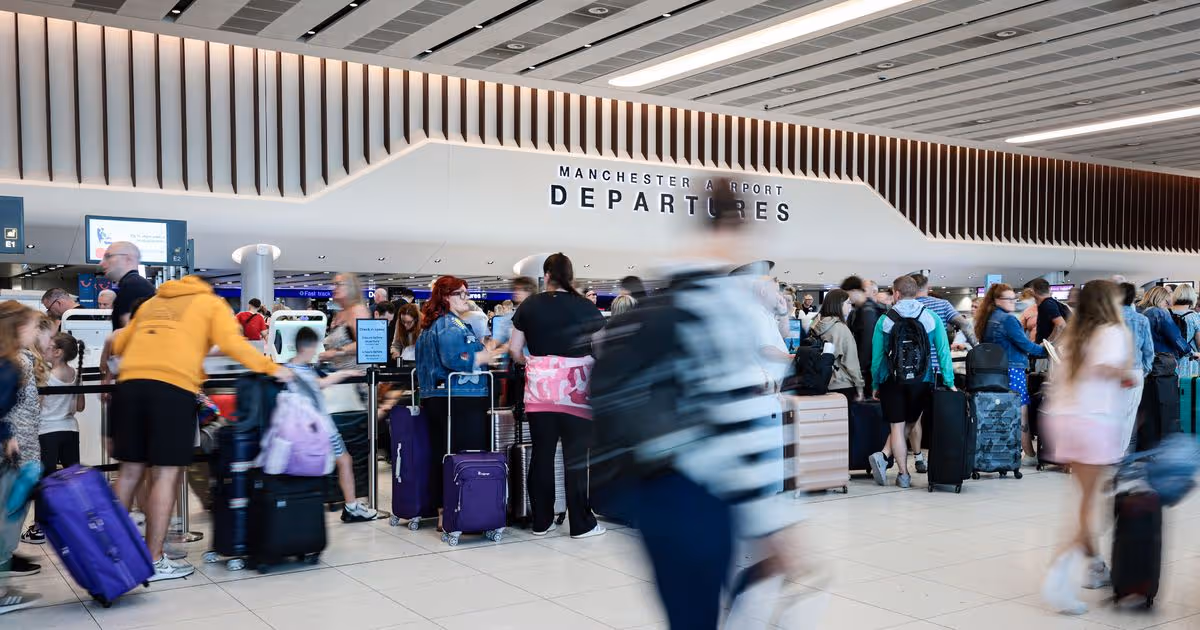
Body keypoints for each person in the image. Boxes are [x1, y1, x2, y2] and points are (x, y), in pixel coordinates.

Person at [597, 182, 806, 629]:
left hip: (648, 486)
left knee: (688, 614)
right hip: (702, 490)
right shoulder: (726, 305)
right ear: (735, 232)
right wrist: (774, 521)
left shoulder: (663, 296)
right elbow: (740, 416)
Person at [108, 275, 289, 581]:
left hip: (129, 386)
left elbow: (121, 341)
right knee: (165, 474)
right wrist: (274, 368)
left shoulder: (153, 302)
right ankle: (153, 560)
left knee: (128, 473)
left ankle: (108, 556)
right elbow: (234, 344)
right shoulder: (209, 303)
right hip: (172, 389)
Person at [1040, 280, 1137, 615]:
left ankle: (1093, 568)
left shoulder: (1073, 334)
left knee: (1083, 500)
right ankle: (1060, 571)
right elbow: (1108, 366)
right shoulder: (1112, 332)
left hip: (1065, 420)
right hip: (1095, 422)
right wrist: (1127, 373)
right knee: (1091, 508)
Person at [507, 254, 606, 538]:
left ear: (546, 274)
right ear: (571, 276)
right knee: (576, 457)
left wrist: (533, 363)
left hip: (540, 391)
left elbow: (515, 349)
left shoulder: (529, 306)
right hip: (576, 391)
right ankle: (581, 524)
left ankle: (541, 521)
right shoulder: (586, 308)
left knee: (541, 454)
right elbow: (601, 349)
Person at [415, 276, 497, 529]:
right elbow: (456, 358)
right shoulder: (450, 325)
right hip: (459, 399)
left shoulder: (432, 326)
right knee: (463, 455)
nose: (466, 298)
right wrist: (484, 356)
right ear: (445, 296)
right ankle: (459, 510)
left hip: (438, 398)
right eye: (460, 293)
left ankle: (445, 510)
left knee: (443, 454)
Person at [867, 275, 955, 489]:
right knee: (909, 423)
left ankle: (903, 475)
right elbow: (944, 352)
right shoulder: (931, 316)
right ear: (916, 293)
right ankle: (887, 458)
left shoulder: (885, 319)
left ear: (896, 294)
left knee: (896, 427)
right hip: (922, 380)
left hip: (892, 380)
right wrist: (949, 381)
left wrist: (876, 383)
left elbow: (877, 357)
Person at [281, 327, 376, 520]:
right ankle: (351, 507)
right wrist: (346, 373)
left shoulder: (288, 368)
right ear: (309, 347)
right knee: (344, 460)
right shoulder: (300, 370)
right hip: (321, 428)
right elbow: (321, 383)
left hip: (301, 431)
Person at [317, 273, 379, 522]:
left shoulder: (357, 311)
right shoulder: (339, 314)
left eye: (338, 284)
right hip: (338, 387)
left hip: (356, 387)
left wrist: (332, 353)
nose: (334, 288)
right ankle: (348, 499)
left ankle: (358, 501)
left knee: (353, 446)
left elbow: (365, 344)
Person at [20, 333, 85, 545]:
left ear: (57, 352)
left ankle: (39, 528)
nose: (44, 350)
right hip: (70, 429)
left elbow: (36, 406)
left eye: (48, 347)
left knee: (45, 480)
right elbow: (80, 407)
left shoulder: (46, 375)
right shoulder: (76, 373)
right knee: (70, 479)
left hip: (47, 431)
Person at [0, 302, 43, 612]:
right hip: (11, 448)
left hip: (12, 443)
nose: (35, 332)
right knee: (7, 513)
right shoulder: (13, 364)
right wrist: (7, 437)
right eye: (30, 326)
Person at [976, 283, 1046, 463]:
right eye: (1009, 298)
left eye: (1014, 298)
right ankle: (1029, 454)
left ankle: (1003, 452)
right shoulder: (1008, 319)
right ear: (997, 300)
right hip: (1013, 370)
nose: (1013, 301)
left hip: (995, 372)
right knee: (1021, 412)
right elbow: (1026, 345)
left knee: (1001, 413)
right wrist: (1046, 350)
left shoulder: (987, 319)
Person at [813, 289, 864, 402]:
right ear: (838, 305)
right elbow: (851, 362)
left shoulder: (816, 325)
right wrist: (860, 387)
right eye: (847, 303)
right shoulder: (841, 328)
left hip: (820, 382)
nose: (850, 306)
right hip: (841, 385)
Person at [1121, 282, 1153, 454]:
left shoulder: (1107, 319)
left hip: (1111, 371)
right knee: (1129, 415)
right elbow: (1149, 350)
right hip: (1134, 371)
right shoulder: (1141, 319)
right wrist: (1144, 370)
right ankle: (1124, 453)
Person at [101, 241, 156, 330]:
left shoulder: (132, 286)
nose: (102, 263)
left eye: (108, 257)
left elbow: (128, 333)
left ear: (128, 259)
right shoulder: (137, 284)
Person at [843, 276, 883, 394]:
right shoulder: (860, 310)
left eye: (848, 294)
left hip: (867, 373)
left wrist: (858, 374)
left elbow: (867, 345)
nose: (848, 298)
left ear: (855, 291)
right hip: (866, 370)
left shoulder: (867, 312)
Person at [1171, 284, 1200, 377]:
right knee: (1187, 389)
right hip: (1188, 361)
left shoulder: (1165, 313)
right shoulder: (1194, 317)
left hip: (1167, 361)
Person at [1031, 278, 1069, 344]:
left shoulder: (1047, 304)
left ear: (1033, 292)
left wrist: (1048, 343)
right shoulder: (1051, 303)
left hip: (1048, 350)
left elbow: (1061, 325)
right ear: (1049, 290)